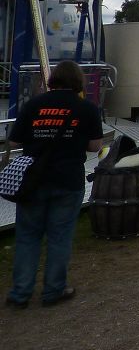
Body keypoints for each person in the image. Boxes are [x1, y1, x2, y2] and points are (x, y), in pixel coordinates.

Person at [5, 61, 103, 308]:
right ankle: (53, 290)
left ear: (53, 80)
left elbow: (14, 142)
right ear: (78, 81)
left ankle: (20, 293)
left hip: (33, 180)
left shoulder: (33, 105)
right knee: (60, 237)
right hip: (68, 180)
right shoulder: (86, 108)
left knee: (28, 237)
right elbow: (95, 146)